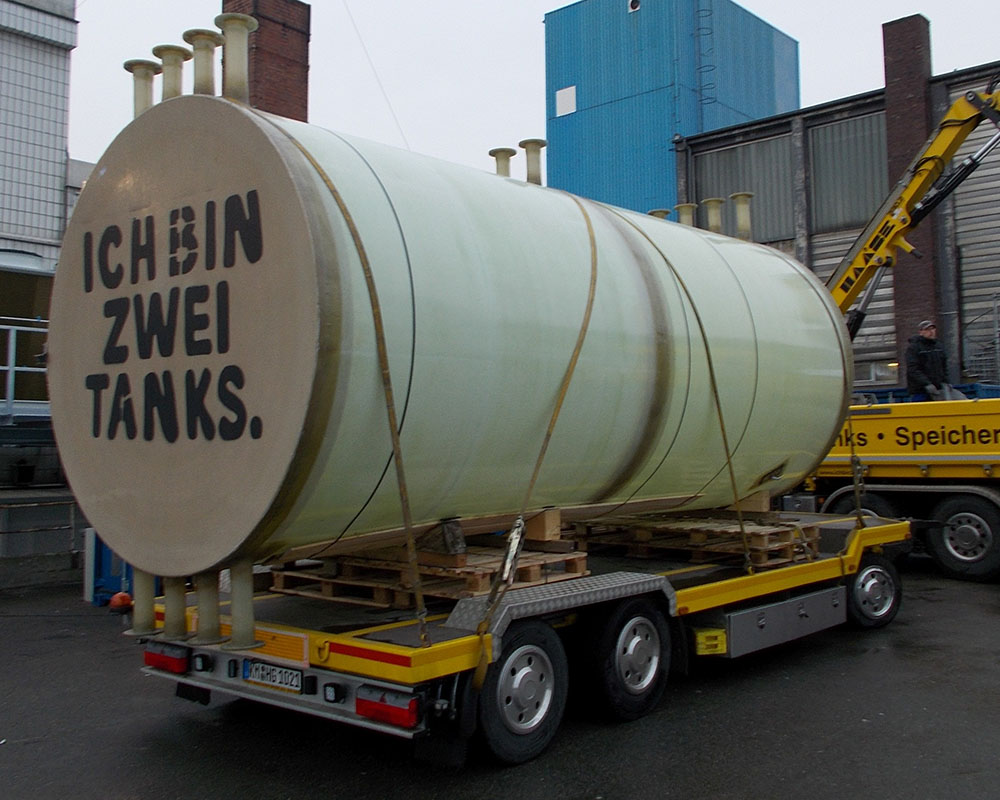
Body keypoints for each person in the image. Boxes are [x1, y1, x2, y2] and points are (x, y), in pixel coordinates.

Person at [905, 320, 949, 401]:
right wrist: (926, 384)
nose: (931, 332)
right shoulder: (914, 348)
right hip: (920, 391)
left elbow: (944, 366)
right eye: (927, 329)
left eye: (932, 329)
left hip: (938, 390)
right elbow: (913, 369)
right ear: (921, 332)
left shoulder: (939, 346)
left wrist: (946, 382)